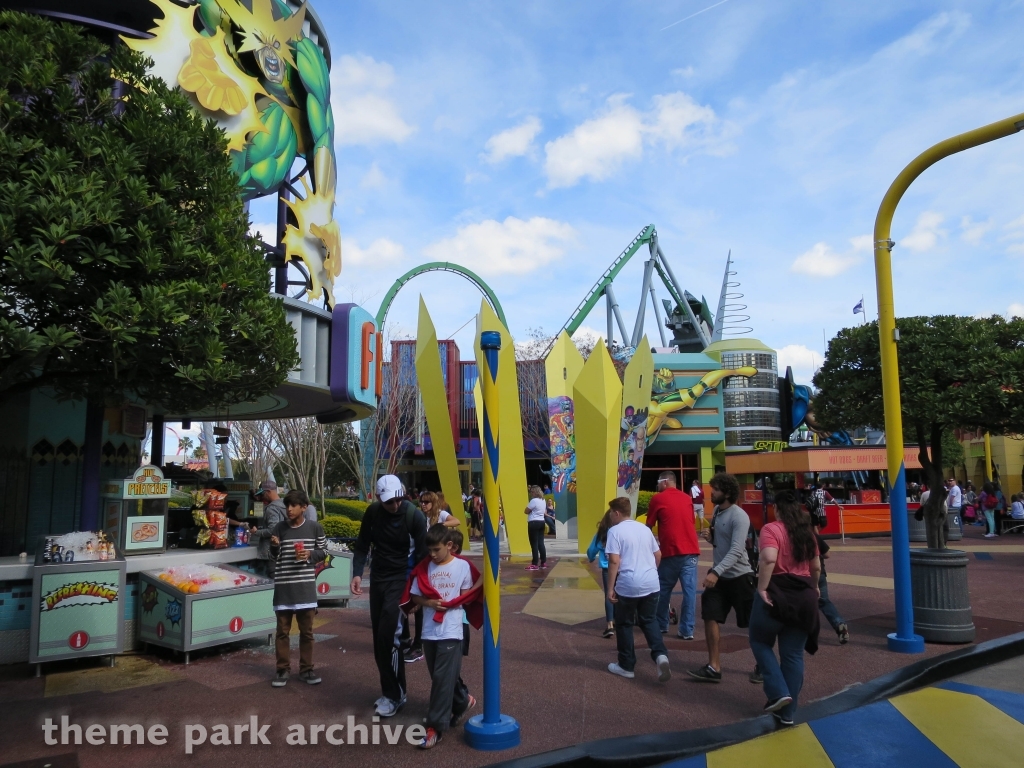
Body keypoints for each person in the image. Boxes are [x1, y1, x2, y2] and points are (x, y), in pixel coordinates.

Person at [351, 475, 428, 717]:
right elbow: (362, 544)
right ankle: (390, 692)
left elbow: (423, 557)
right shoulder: (373, 513)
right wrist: (356, 574)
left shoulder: (414, 516)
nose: (395, 505)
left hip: (402, 580)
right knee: (379, 638)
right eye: (389, 502)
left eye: (398, 499)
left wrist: (417, 592)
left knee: (389, 636)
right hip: (378, 579)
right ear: (378, 498)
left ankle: (396, 695)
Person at [401, 524, 481, 749]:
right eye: (430, 550)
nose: (433, 554)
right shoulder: (424, 567)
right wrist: (429, 602)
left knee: (441, 678)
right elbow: (415, 596)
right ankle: (462, 701)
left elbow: (466, 596)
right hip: (429, 631)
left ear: (449, 545)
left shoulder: (462, 566)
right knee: (441, 677)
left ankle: (435, 726)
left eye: (437, 549)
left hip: (451, 630)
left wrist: (483, 583)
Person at [748, 490, 821, 727]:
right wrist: (815, 587)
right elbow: (816, 566)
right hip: (804, 597)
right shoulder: (807, 533)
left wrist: (762, 588)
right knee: (793, 655)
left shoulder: (771, 529)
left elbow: (769, 558)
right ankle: (787, 713)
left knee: (760, 641)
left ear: (776, 509)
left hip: (777, 593)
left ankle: (778, 691)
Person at [688, 473, 755, 683]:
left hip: (740, 576)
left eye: (715, 489)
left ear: (727, 492)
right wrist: (712, 538)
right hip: (720, 577)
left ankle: (763, 665)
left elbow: (736, 550)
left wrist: (716, 572)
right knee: (710, 614)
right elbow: (721, 542)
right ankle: (714, 667)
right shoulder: (717, 511)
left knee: (753, 624)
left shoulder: (739, 516)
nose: (711, 493)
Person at [605, 497, 671, 682]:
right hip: (651, 582)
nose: (610, 516)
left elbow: (614, 561)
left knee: (624, 623)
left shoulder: (615, 531)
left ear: (617, 513)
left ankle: (626, 665)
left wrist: (610, 588)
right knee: (649, 620)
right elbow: (658, 554)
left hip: (628, 583)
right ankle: (660, 655)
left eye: (611, 513)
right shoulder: (644, 529)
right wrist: (650, 571)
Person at [269, 489, 327, 687]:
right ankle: (282, 670)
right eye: (287, 505)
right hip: (284, 587)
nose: (289, 509)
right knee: (282, 632)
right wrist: (274, 546)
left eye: (293, 505)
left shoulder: (315, 528)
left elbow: (323, 552)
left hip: (305, 587)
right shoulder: (279, 528)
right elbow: (273, 556)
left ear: (304, 507)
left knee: (307, 632)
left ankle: (307, 669)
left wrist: (310, 554)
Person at [647, 470, 700, 640]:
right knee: (690, 592)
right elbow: (690, 521)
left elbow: (649, 525)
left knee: (663, 589)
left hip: (670, 551)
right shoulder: (687, 498)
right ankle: (687, 629)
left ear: (664, 482)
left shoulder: (658, 499)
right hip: (691, 550)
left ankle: (662, 624)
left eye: (658, 482)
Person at [587, 511, 615, 638]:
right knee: (623, 594)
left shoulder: (602, 534)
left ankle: (610, 625)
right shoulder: (620, 532)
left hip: (607, 568)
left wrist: (592, 558)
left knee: (609, 594)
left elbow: (591, 550)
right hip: (622, 568)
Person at [250, 480, 286, 579]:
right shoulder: (285, 505)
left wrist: (256, 532)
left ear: (269, 492)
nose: (262, 497)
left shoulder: (272, 508)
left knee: (266, 581)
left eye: (263, 494)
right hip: (282, 550)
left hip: (269, 552)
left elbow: (273, 530)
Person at [524, 485, 548, 571]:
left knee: (534, 543)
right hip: (541, 522)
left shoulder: (533, 501)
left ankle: (534, 563)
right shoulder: (543, 500)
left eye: (531, 492)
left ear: (534, 492)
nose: (531, 493)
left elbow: (526, 511)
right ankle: (543, 562)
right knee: (541, 543)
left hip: (533, 522)